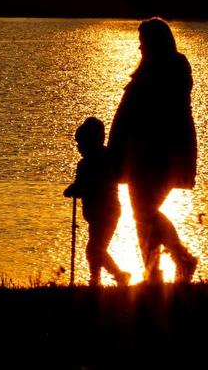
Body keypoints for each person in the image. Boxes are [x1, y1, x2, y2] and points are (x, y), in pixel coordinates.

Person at [108, 18, 199, 283]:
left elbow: (159, 115)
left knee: (145, 211)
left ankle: (178, 258)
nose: (140, 48)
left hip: (156, 154)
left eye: (143, 42)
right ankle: (154, 270)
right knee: (142, 213)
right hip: (139, 154)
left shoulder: (167, 71)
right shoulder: (154, 71)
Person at [63, 116, 130, 287]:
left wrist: (74, 190)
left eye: (82, 143)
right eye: (78, 144)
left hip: (106, 213)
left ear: (92, 141)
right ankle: (96, 279)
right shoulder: (96, 160)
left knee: (95, 250)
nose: (79, 148)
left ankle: (116, 276)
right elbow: (81, 184)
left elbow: (90, 184)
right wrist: (74, 189)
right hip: (98, 214)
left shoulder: (98, 161)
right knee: (95, 249)